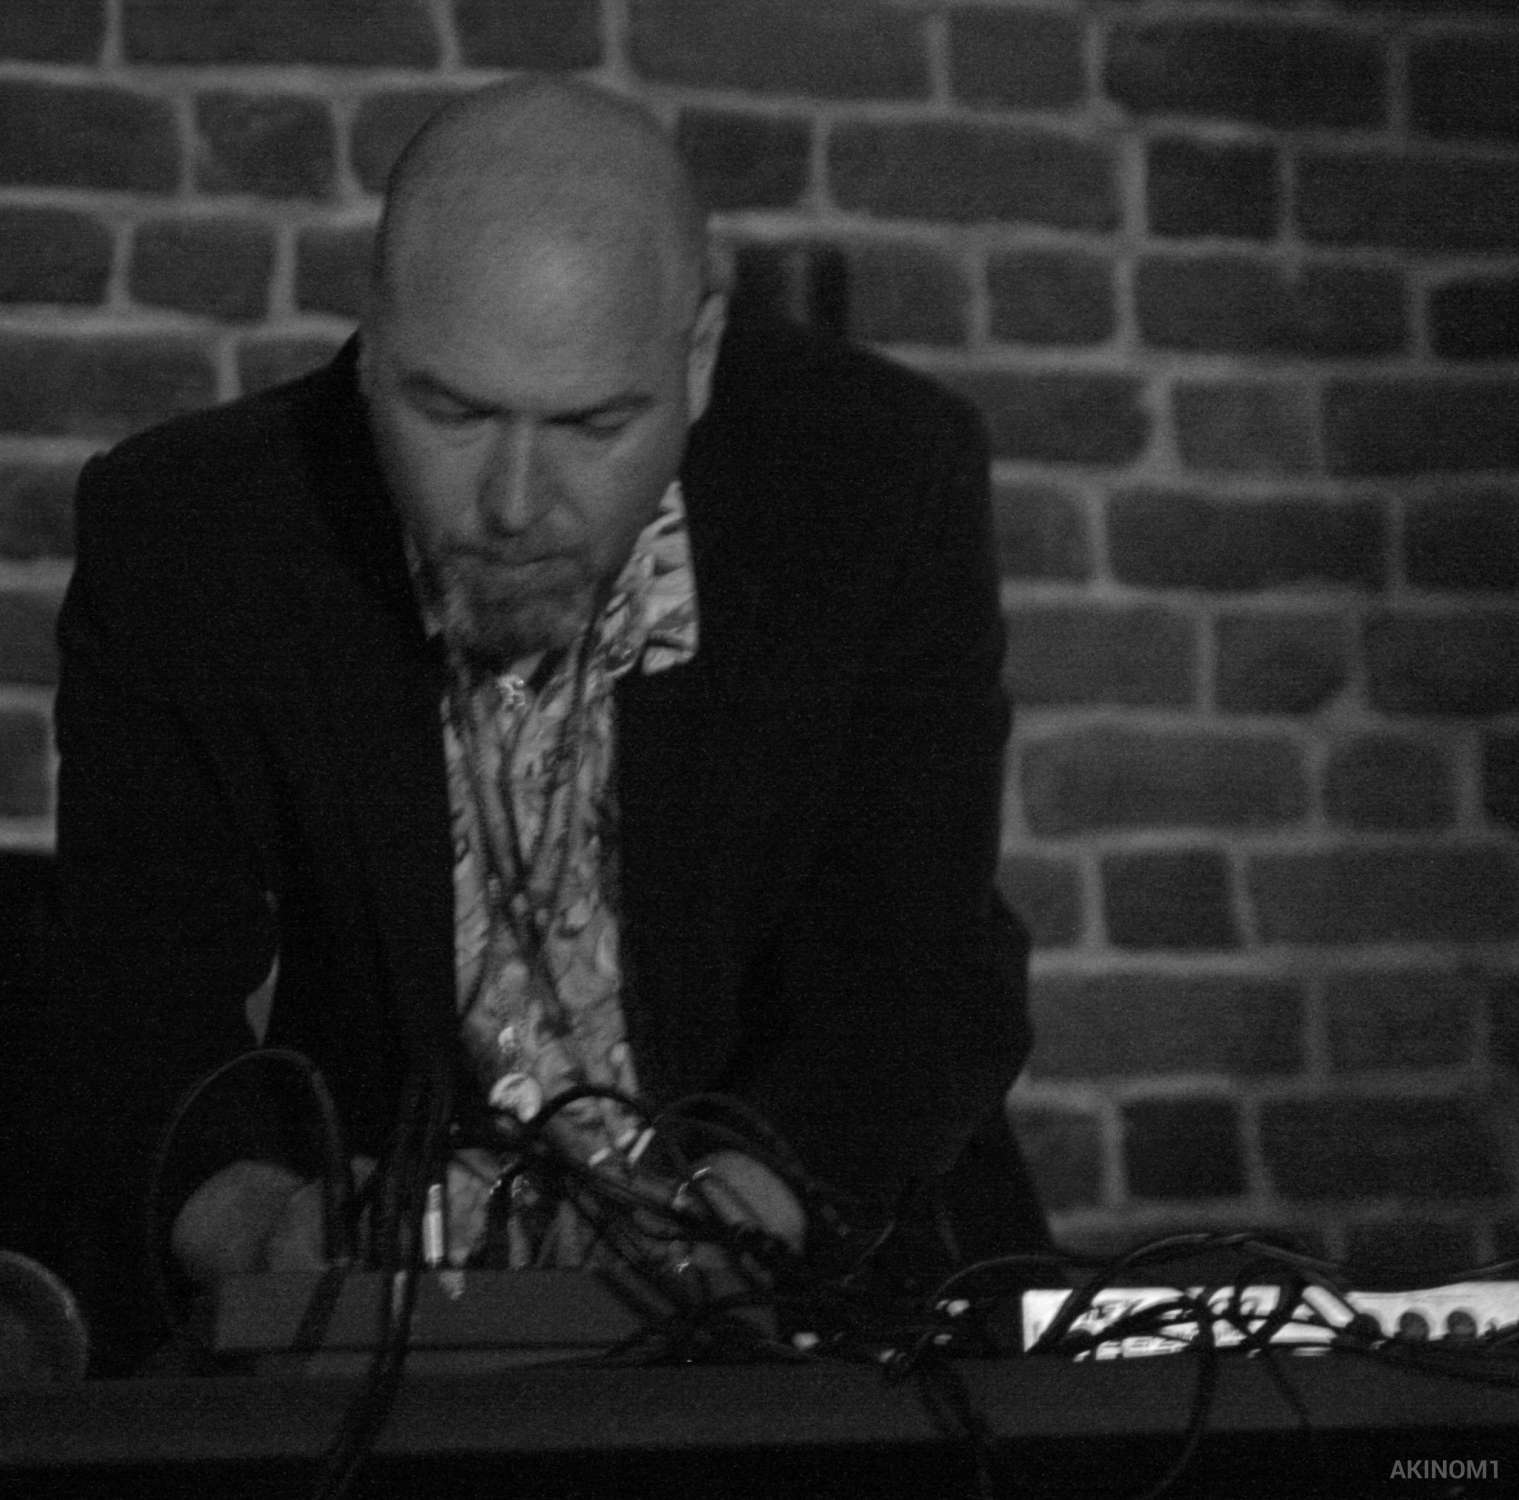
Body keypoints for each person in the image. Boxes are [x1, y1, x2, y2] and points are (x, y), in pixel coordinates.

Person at [15, 76, 1045, 1373]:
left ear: (698, 358)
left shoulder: (875, 480)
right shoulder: (192, 530)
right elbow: (127, 998)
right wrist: (259, 1224)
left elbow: (919, 962)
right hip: (377, 1348)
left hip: (827, 1298)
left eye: (593, 426)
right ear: (373, 345)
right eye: (450, 413)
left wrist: (735, 1217)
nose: (513, 503)